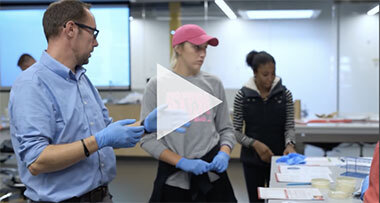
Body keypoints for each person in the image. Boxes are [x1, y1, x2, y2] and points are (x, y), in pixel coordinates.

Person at [8, 0, 161, 202]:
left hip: (101, 196)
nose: (96, 43)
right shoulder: (31, 85)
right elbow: (37, 160)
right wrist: (98, 141)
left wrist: (144, 127)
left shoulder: (82, 81)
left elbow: (107, 133)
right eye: (93, 33)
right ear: (70, 29)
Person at [140, 24, 237, 202]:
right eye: (196, 47)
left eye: (205, 48)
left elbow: (226, 129)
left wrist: (224, 152)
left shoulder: (213, 84)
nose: (202, 54)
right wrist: (181, 161)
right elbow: (146, 138)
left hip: (213, 178)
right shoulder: (157, 85)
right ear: (178, 48)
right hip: (174, 182)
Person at [233, 50, 296, 202]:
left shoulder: (285, 94)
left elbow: (289, 126)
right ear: (255, 73)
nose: (270, 78)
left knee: (278, 199)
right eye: (265, 74)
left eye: (273, 73)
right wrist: (254, 144)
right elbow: (235, 132)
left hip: (279, 159)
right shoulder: (242, 96)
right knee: (256, 200)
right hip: (252, 160)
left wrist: (290, 144)